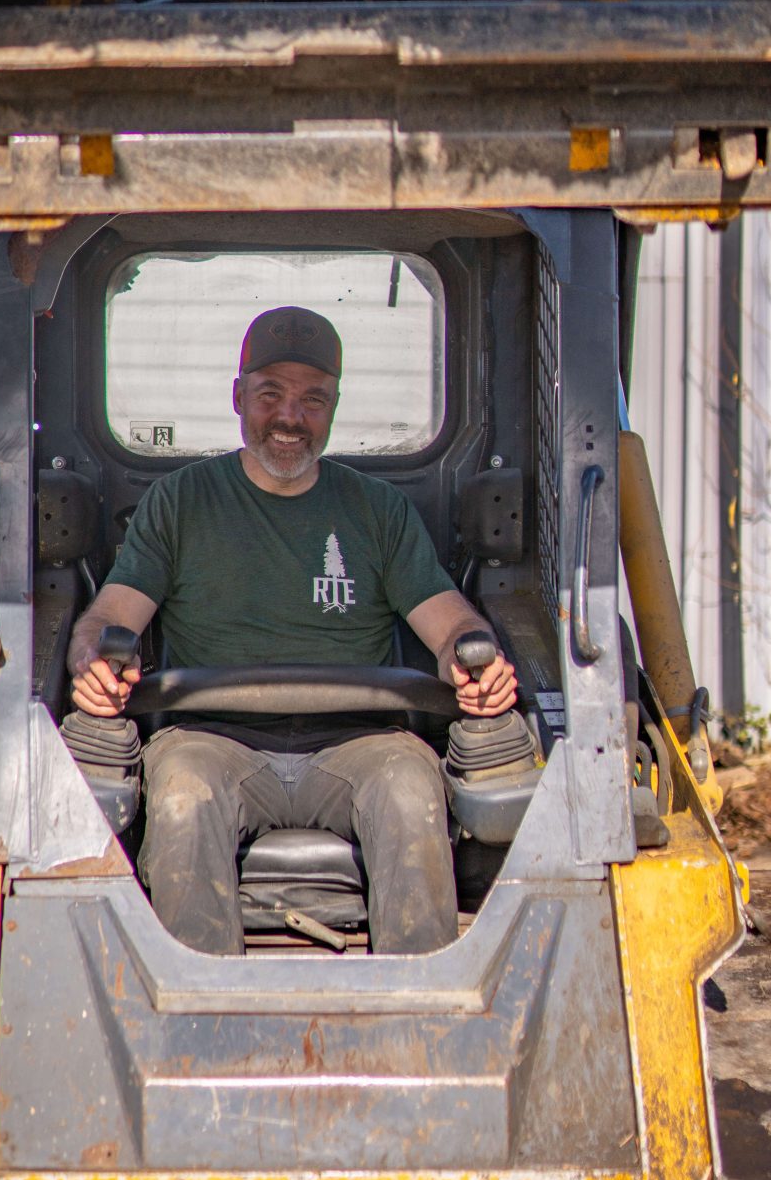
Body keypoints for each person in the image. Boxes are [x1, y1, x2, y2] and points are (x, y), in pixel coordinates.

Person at [67, 304, 519, 955]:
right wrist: (93, 663)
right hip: (212, 741)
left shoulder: (378, 511)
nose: (289, 417)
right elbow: (109, 617)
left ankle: (419, 1002)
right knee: (182, 794)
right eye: (270, 394)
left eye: (312, 399)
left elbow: (451, 623)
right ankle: (199, 1002)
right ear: (238, 397)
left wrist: (472, 661)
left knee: (410, 789)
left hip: (357, 744)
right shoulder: (181, 502)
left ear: (333, 407)